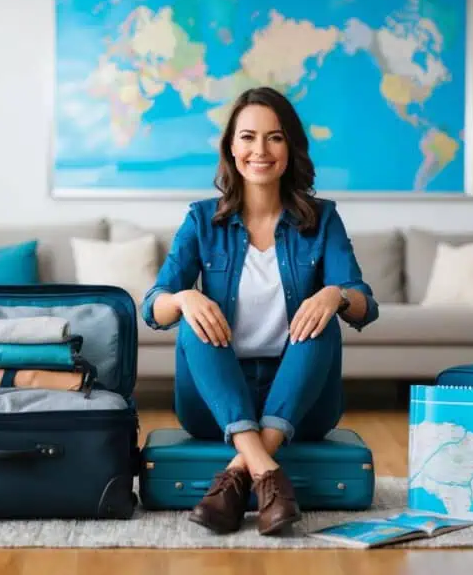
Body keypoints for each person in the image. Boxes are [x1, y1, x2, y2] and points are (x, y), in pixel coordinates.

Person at [141, 86, 379, 536]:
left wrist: (335, 295)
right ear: (232, 147)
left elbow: (364, 305)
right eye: (248, 137)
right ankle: (268, 474)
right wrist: (184, 297)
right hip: (213, 402)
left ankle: (241, 472)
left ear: (290, 146)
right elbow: (152, 305)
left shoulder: (322, 218)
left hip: (302, 403)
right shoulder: (200, 220)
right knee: (194, 321)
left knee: (322, 318)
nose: (260, 150)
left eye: (275, 138)